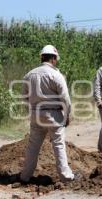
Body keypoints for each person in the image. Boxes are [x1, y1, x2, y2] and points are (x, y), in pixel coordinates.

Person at [20, 45, 78, 182]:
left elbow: (24, 96)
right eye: (56, 59)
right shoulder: (56, 75)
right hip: (53, 115)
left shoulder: (29, 74)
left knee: (33, 146)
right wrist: (67, 115)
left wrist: (34, 107)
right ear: (53, 59)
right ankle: (66, 176)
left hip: (36, 114)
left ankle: (25, 176)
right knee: (58, 144)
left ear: (42, 57)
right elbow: (65, 99)